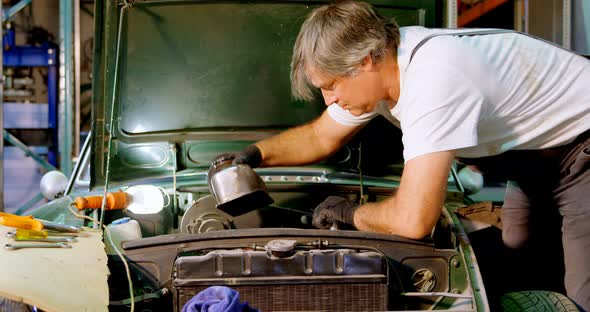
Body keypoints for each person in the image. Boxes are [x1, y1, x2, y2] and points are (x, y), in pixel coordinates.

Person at [213, 1, 590, 308]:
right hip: (530, 160)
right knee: (520, 254)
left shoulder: (434, 80)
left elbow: (413, 221)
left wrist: (349, 214)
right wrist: (251, 156)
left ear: (364, 61)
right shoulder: (383, 68)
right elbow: (321, 136)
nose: (328, 100)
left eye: (330, 86)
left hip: (582, 150)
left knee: (585, 292)